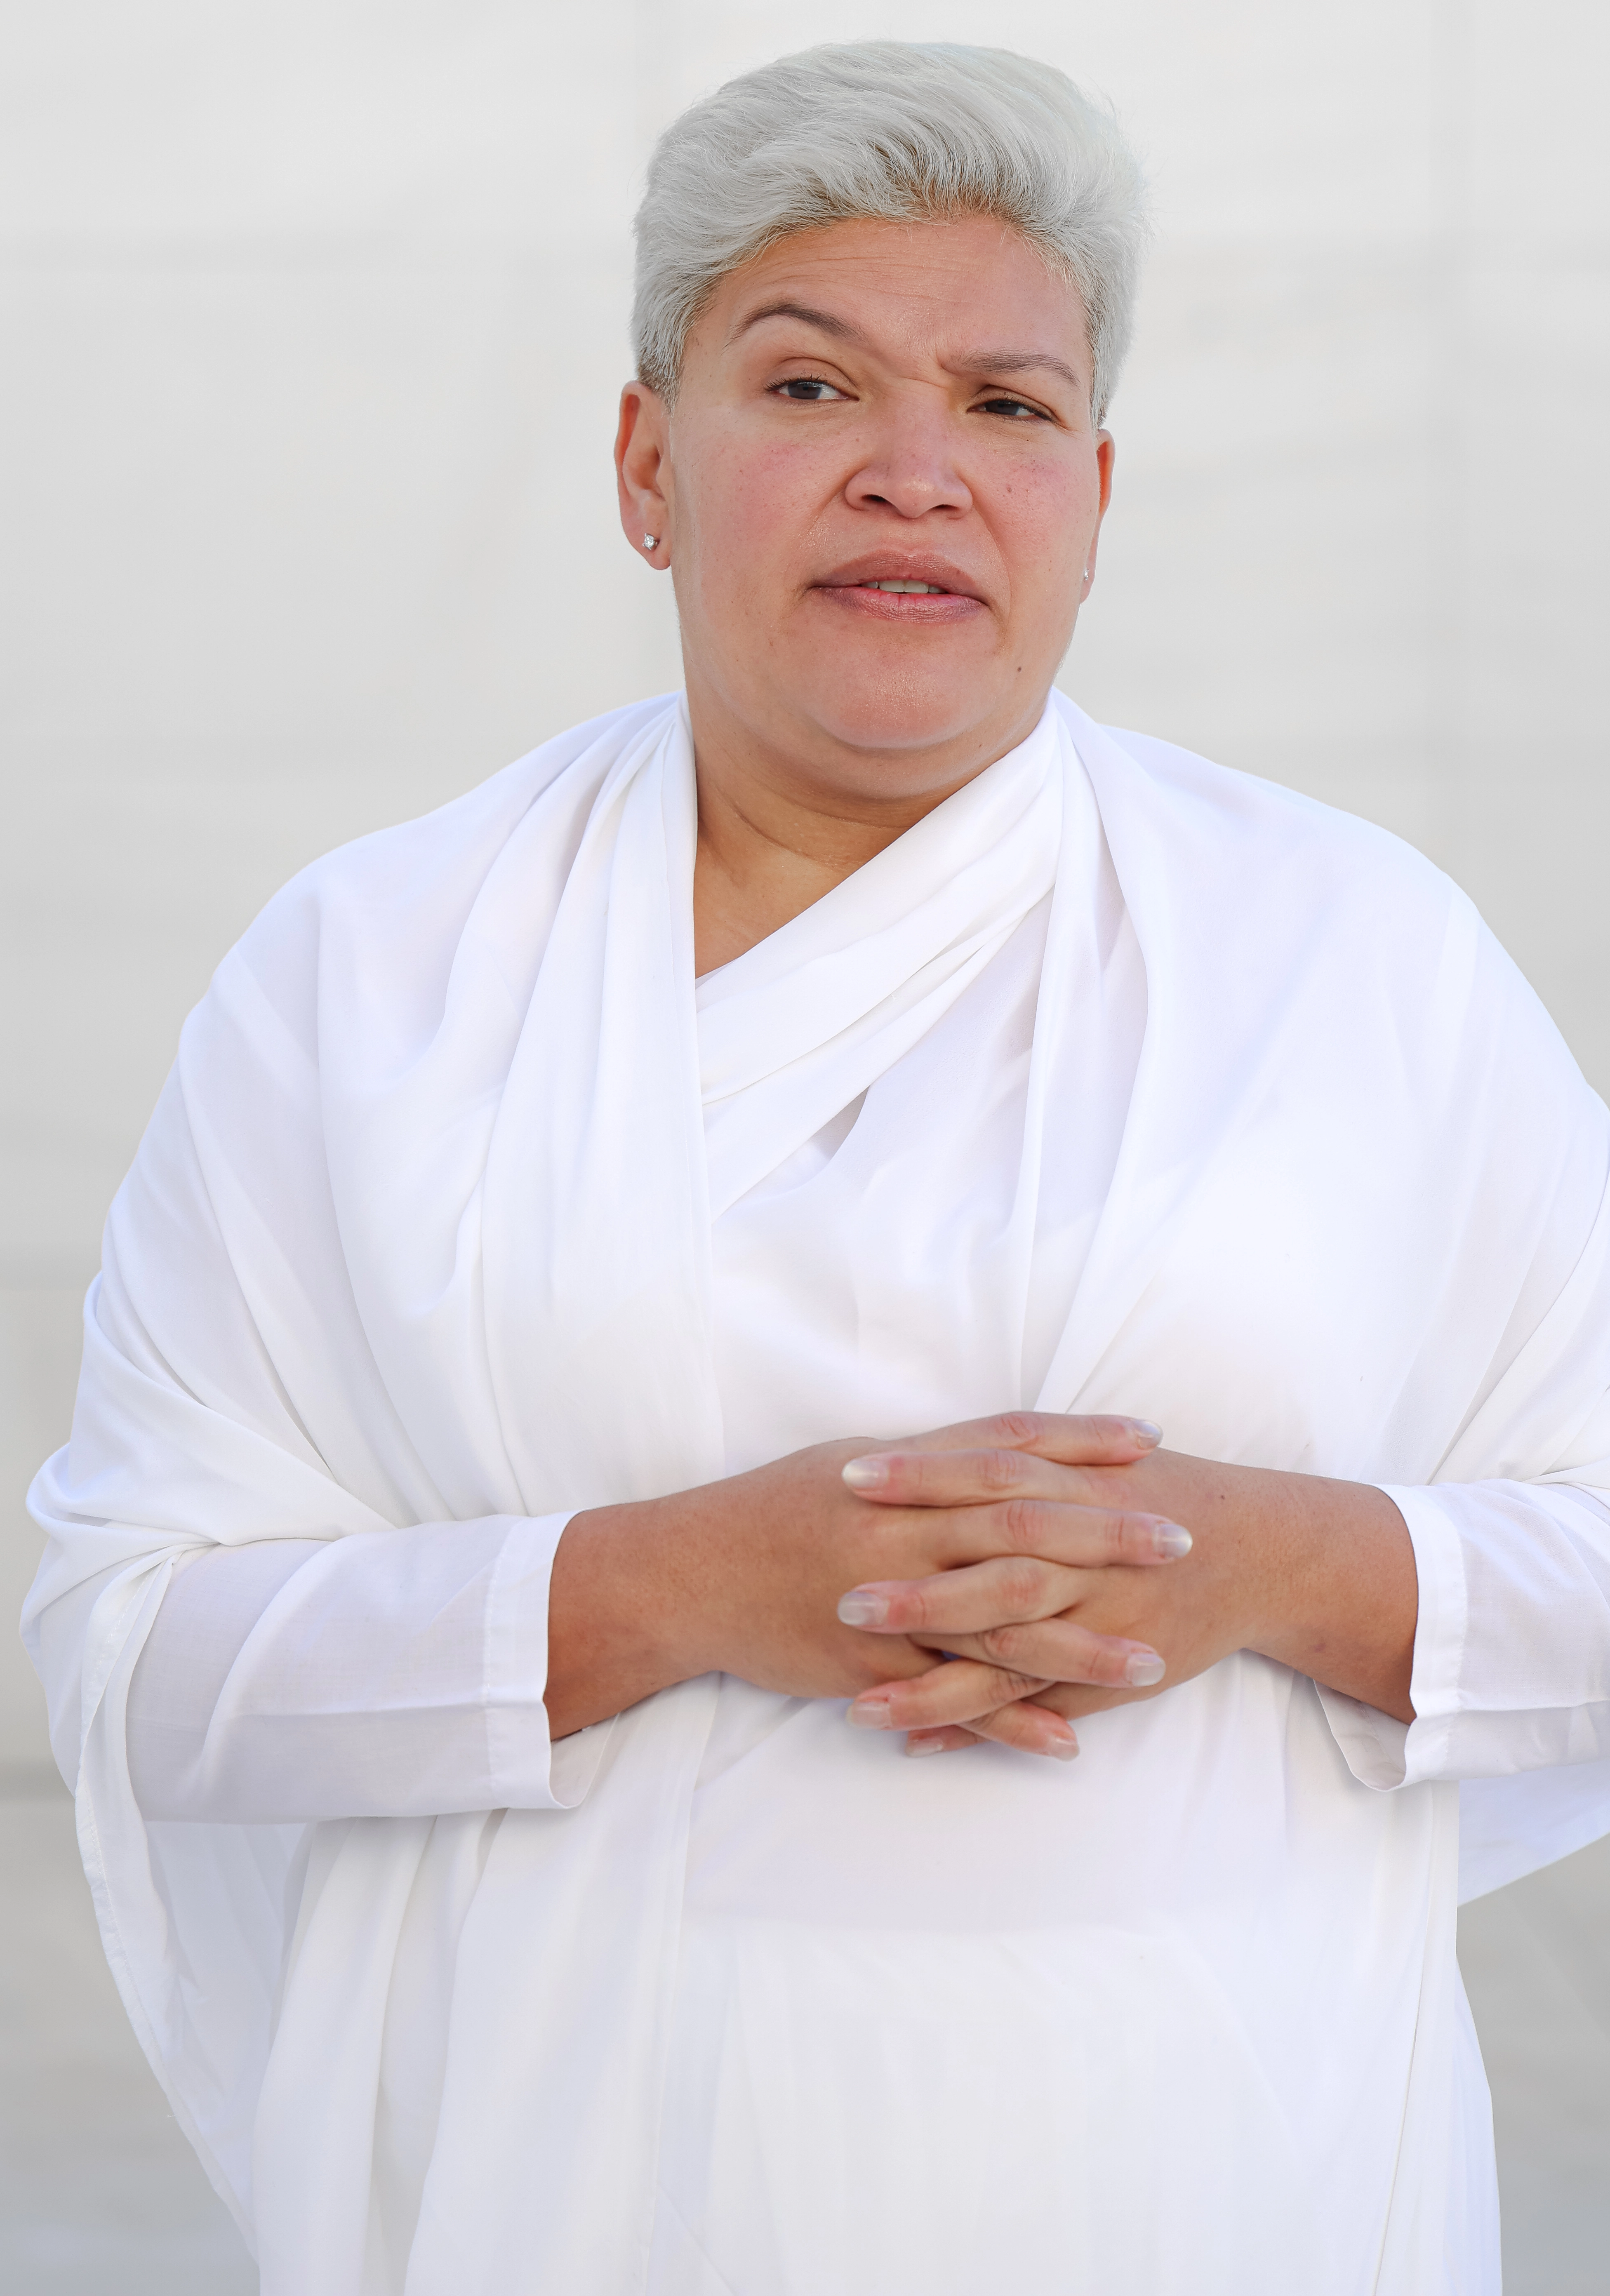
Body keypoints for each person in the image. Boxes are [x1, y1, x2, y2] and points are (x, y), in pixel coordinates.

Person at [21, 39, 1610, 2296]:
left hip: (1217, 2191)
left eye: (1010, 404)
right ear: (650, 463)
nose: (915, 475)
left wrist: (1259, 1564)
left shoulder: (1356, 959)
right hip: (566, 2204)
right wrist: (674, 1591)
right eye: (808, 384)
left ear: (1098, 485)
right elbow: (136, 1652)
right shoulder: (367, 977)